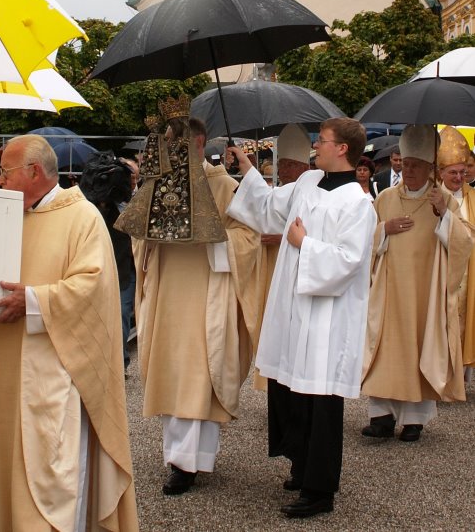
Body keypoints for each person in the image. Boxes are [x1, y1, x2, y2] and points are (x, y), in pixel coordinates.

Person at [0, 134, 139, 532]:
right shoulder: (7, 217)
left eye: (7, 173)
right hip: (1, 367)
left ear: (34, 172)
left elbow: (93, 289)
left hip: (52, 373)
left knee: (53, 479)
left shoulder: (81, 218)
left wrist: (31, 301)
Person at [227, 118, 376, 519]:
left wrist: (303, 244)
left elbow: (349, 260)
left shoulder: (358, 203)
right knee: (291, 391)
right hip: (293, 310)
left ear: (343, 148)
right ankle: (299, 464)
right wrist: (247, 168)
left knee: (320, 401)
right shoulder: (309, 183)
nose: (316, 147)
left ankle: (319, 489)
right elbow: (272, 206)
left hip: (326, 318)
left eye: (322, 141)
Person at [131, 109, 260, 496]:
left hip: (207, 294)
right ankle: (182, 457)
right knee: (171, 374)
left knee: (196, 377)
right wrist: (149, 234)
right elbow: (137, 238)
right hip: (167, 292)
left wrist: (212, 239)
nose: (170, 151)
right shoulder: (158, 184)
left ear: (200, 144)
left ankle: (187, 463)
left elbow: (250, 238)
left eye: (177, 145)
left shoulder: (225, 188)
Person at [361, 125, 472, 444]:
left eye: (416, 166)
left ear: (429, 169)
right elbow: (365, 240)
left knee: (420, 346)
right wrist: (384, 230)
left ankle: (413, 419)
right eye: (405, 163)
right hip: (390, 289)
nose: (408, 170)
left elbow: (465, 242)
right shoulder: (384, 198)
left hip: (426, 291)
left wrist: (442, 216)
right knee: (385, 348)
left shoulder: (443, 199)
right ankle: (381, 416)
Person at [253, 124, 311, 390]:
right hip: (273, 266)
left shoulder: (309, 190)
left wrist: (279, 238)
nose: (280, 170)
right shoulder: (283, 190)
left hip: (301, 267)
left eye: (286, 164)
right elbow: (259, 211)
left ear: (301, 167)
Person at [80, 152, 139, 376]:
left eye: (134, 177)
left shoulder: (140, 200)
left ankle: (120, 362)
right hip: (102, 265)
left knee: (122, 314)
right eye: (129, 177)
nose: (132, 181)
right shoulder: (99, 204)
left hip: (125, 268)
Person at [437, 127, 475, 379]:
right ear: (440, 172)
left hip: (467, 272)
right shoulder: (433, 197)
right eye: (453, 172)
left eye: (463, 172)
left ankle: (459, 375)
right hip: (440, 271)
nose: (459, 177)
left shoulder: (473, 198)